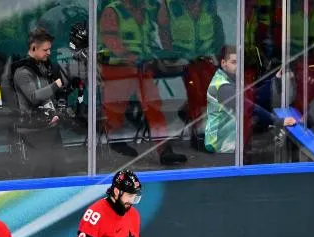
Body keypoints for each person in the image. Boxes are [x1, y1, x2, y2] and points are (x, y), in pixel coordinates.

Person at [98, 0, 187, 165]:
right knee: (115, 110)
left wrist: (152, 57)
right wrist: (130, 56)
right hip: (119, 70)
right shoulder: (113, 11)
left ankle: (164, 150)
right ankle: (115, 141)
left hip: (142, 69)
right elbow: (110, 41)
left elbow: (155, 32)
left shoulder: (145, 11)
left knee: (155, 107)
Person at [204, 46, 296, 154]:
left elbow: (253, 95)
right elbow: (249, 107)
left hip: (231, 143)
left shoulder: (231, 79)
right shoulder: (223, 87)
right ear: (224, 63)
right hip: (220, 147)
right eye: (234, 62)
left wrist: (276, 80)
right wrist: (279, 121)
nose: (238, 66)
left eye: (240, 62)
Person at [158, 0, 225, 150]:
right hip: (184, 59)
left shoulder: (209, 4)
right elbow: (163, 31)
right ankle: (198, 133)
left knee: (213, 91)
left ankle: (188, 112)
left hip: (206, 57)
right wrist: (171, 54)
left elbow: (216, 26)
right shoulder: (169, 5)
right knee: (197, 92)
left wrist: (218, 53)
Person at [12, 28, 72, 176]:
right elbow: (33, 96)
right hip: (34, 130)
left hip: (50, 125)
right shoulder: (22, 72)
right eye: (46, 49)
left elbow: (51, 95)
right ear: (33, 48)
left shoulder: (45, 67)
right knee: (42, 170)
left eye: (50, 49)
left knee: (59, 169)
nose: (49, 53)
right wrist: (56, 84)